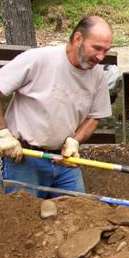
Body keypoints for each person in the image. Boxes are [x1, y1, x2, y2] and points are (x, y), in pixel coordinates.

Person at [0, 16, 113, 198]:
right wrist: (3, 134)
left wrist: (75, 140)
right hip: (24, 158)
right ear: (78, 39)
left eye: (106, 50)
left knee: (77, 215)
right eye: (97, 48)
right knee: (24, 220)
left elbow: (95, 116)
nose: (101, 57)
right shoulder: (39, 59)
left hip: (64, 161)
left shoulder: (97, 74)